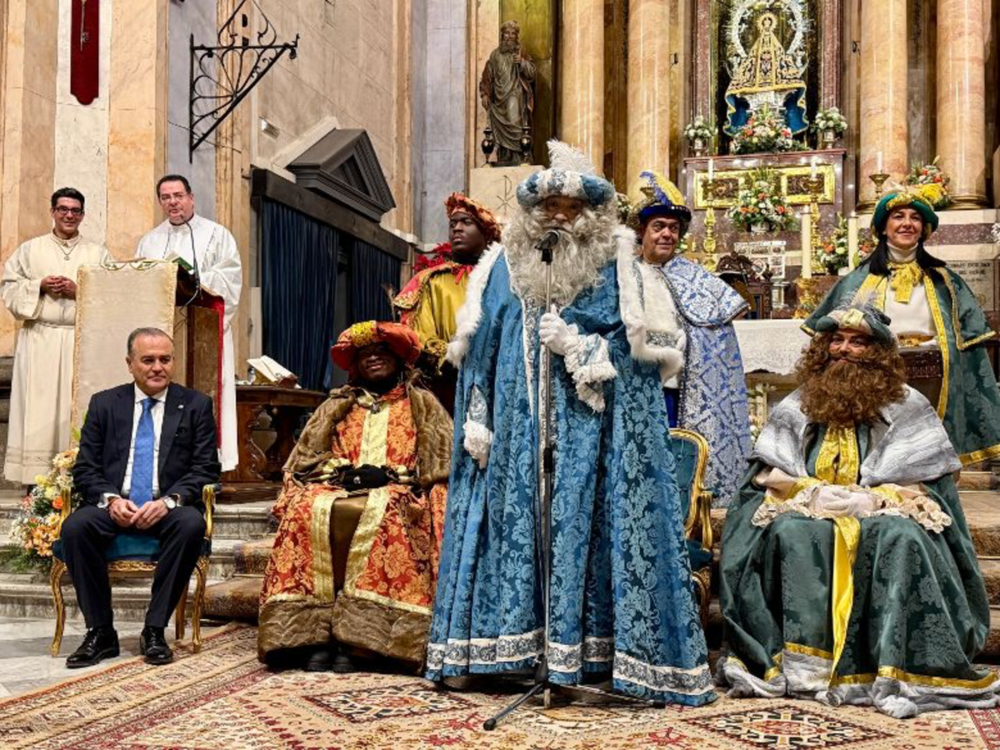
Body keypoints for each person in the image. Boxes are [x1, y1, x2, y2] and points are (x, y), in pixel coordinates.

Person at [426, 140, 715, 705]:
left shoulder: (621, 268)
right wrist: (477, 418)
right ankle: (515, 653)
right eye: (550, 206)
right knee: (512, 530)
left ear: (593, 213)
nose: (559, 217)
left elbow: (646, 355)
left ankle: (585, 654)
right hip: (514, 437)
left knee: (585, 531)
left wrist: (581, 349)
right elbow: (477, 351)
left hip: (592, 434)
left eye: (571, 208)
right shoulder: (498, 268)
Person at [719, 302, 998, 717]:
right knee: (792, 532)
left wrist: (873, 499)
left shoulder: (909, 406)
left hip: (884, 508)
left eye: (857, 342)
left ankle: (888, 662)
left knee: (899, 536)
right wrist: (809, 492)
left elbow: (930, 486)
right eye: (836, 340)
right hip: (809, 505)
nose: (843, 349)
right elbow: (766, 474)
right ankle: (808, 669)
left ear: (878, 352)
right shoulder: (800, 403)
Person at [258, 321, 452, 672]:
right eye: (365, 355)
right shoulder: (337, 405)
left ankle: (365, 642)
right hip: (338, 484)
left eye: (381, 352)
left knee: (384, 508)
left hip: (402, 491)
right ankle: (306, 637)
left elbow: (439, 465)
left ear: (398, 359)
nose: (373, 359)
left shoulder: (421, 404)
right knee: (305, 506)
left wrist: (391, 475)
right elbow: (306, 460)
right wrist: (342, 471)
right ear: (354, 365)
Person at [805, 184, 1000, 466]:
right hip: (877, 371)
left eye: (915, 218)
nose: (907, 223)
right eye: (898, 216)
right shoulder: (857, 281)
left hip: (934, 373)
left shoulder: (946, 280)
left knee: (926, 440)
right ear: (883, 228)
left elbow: (970, 336)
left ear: (924, 229)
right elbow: (830, 330)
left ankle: (931, 484)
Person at [62, 327, 221, 667]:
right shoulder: (105, 404)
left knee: (191, 523)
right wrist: (110, 500)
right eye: (148, 360)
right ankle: (101, 631)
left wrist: (169, 501)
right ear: (130, 364)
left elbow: (206, 468)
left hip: (167, 507)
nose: (157, 367)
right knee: (76, 526)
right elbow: (85, 468)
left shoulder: (195, 405)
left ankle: (154, 629)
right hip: (115, 506)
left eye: (165, 359)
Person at [618, 171, 752, 506]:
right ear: (642, 231)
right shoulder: (621, 273)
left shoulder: (697, 281)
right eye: (658, 226)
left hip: (675, 394)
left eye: (673, 228)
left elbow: (717, 344)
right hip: (627, 386)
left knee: (672, 467)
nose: (667, 234)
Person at [1, 188, 109, 485]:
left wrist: (80, 290)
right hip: (40, 340)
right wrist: (38, 286)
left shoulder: (97, 253)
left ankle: (76, 478)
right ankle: (35, 480)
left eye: (75, 210)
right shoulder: (29, 249)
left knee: (76, 410)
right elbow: (8, 287)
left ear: (83, 215)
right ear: (53, 211)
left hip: (78, 340)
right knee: (38, 410)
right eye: (63, 209)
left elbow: (113, 293)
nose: (69, 215)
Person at [135, 175, 242, 471]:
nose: (173, 202)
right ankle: (162, 462)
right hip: (163, 331)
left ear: (191, 197)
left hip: (204, 328)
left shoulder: (217, 235)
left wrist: (194, 279)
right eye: (166, 197)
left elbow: (230, 278)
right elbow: (140, 281)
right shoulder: (150, 240)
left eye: (178, 195)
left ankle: (208, 464)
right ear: (160, 202)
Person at [394, 193, 501, 412]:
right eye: (453, 224)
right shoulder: (430, 280)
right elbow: (419, 333)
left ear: (486, 232)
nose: (457, 228)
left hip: (497, 379)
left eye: (466, 222)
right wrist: (451, 356)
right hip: (446, 386)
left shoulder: (502, 278)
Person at [479, 20, 536, 166]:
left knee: (516, 126)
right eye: (507, 33)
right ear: (502, 35)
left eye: (513, 34)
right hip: (499, 101)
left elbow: (532, 73)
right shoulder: (495, 55)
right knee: (500, 132)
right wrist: (485, 94)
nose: (510, 36)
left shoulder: (521, 52)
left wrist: (522, 63)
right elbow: (486, 77)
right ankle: (504, 157)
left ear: (516, 37)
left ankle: (521, 157)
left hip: (515, 97)